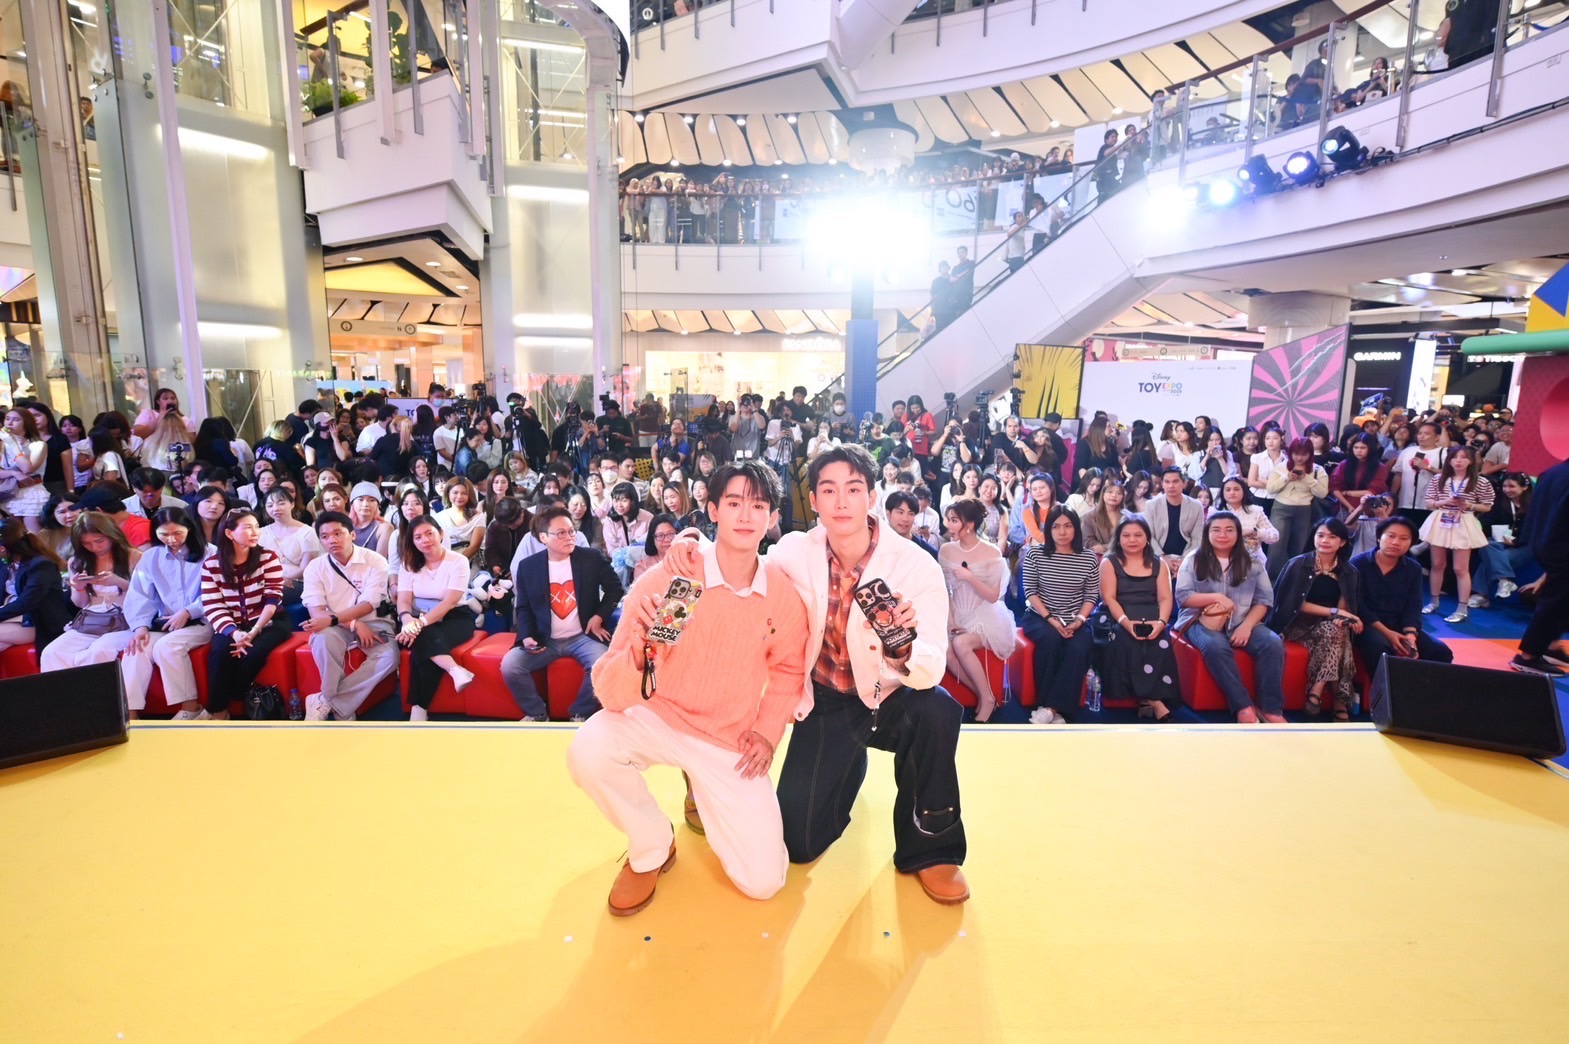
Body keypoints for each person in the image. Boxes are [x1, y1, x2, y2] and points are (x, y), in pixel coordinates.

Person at [670, 444, 966, 905]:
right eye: (828, 490)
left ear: (872, 496)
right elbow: (743, 562)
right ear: (814, 500)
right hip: (827, 701)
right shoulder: (794, 551)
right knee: (798, 843)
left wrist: (904, 647)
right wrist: (691, 544)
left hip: (891, 696)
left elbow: (932, 669)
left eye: (854, 489)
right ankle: (850, 762)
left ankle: (932, 847)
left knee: (938, 711)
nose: (841, 501)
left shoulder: (915, 565)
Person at [575, 460, 808, 915]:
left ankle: (701, 787)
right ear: (713, 510)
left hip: (727, 738)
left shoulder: (779, 593)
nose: (746, 515)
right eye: (734, 503)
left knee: (764, 881)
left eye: (758, 505)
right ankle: (652, 846)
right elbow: (613, 694)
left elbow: (788, 669)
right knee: (588, 749)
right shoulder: (679, 577)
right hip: (658, 715)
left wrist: (766, 733)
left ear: (772, 517)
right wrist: (641, 654)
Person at [502, 505, 624, 723]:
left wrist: (599, 617)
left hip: (582, 636)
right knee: (511, 665)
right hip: (545, 638)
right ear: (543, 538)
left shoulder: (591, 558)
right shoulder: (528, 567)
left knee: (603, 664)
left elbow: (615, 589)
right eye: (560, 533)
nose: (569, 537)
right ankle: (537, 713)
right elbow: (523, 607)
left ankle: (580, 712)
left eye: (571, 531)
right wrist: (527, 635)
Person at [1175, 511, 1286, 724]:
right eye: (1216, 530)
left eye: (1229, 530)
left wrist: (1246, 626)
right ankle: (1243, 705)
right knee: (1215, 646)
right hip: (1199, 620)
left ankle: (1270, 708)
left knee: (1272, 643)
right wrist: (1216, 597)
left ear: (1238, 533)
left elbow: (1264, 600)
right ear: (1207, 533)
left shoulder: (1253, 561)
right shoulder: (1194, 559)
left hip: (1243, 619)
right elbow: (1183, 597)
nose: (1222, 535)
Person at [299, 510, 398, 722]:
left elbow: (368, 604)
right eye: (325, 536)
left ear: (352, 534)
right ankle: (342, 706)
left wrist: (351, 621)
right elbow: (317, 612)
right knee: (323, 639)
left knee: (389, 657)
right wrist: (353, 624)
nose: (332, 540)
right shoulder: (315, 567)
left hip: (373, 621)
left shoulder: (375, 561)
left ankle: (326, 701)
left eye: (338, 533)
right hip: (336, 626)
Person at [198, 508, 293, 720]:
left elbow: (273, 597)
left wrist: (255, 630)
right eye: (248, 527)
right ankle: (218, 712)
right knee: (219, 653)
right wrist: (234, 633)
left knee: (255, 651)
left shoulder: (268, 558)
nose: (255, 532)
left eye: (257, 527)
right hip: (232, 624)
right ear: (229, 533)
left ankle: (233, 695)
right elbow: (213, 605)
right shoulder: (212, 565)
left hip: (270, 620)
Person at [120, 508, 212, 719]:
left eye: (177, 533)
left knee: (167, 647)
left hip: (204, 619)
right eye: (164, 534)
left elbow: (217, 591)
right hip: (165, 623)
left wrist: (189, 611)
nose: (171, 540)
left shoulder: (209, 553)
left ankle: (191, 708)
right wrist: (140, 626)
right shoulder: (151, 557)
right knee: (136, 648)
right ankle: (130, 714)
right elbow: (140, 594)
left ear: (189, 528)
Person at [1271, 518, 1364, 720]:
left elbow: (1344, 606)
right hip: (1296, 623)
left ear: (1342, 542)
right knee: (1338, 636)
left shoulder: (1349, 571)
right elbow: (1294, 604)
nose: (1325, 540)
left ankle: (1317, 690)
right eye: (1320, 535)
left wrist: (1339, 618)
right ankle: (1339, 701)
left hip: (1327, 625)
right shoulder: (1298, 564)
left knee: (1337, 631)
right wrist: (1334, 612)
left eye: (1332, 537)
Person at [1020, 507, 1099, 726]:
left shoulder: (1088, 557)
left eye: (1068, 526)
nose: (1062, 532)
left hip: (1075, 618)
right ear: (1048, 529)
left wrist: (1079, 621)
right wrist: (1050, 619)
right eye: (1056, 527)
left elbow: (1091, 595)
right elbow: (1030, 591)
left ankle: (1051, 709)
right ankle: (1048, 707)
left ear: (1076, 529)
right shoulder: (1035, 554)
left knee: (1079, 647)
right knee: (1051, 640)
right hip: (1039, 616)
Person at [395, 515, 478, 720]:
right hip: (416, 617)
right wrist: (407, 621)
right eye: (418, 537)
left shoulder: (458, 561)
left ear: (441, 534)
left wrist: (418, 625)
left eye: (429, 533)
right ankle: (455, 670)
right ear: (412, 541)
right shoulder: (408, 564)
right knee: (425, 637)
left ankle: (418, 707)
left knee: (423, 639)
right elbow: (403, 600)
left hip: (455, 617)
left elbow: (450, 602)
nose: (425, 540)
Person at [939, 498, 1015, 723]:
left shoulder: (991, 552)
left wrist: (970, 577)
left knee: (961, 644)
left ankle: (988, 700)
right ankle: (985, 695)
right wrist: (951, 621)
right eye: (948, 520)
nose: (948, 525)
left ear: (969, 525)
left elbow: (993, 596)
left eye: (954, 521)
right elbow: (944, 590)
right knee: (946, 649)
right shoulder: (946, 550)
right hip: (955, 613)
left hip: (984, 615)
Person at [1099, 517, 1181, 722]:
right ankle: (1154, 700)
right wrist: (1126, 622)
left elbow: (1165, 598)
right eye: (1126, 535)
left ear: (1147, 538)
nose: (1132, 540)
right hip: (1116, 616)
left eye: (1138, 535)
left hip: (1151, 615)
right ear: (1118, 539)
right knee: (1125, 638)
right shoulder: (1109, 562)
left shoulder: (1159, 563)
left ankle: (1147, 697)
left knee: (1160, 639)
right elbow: (1108, 598)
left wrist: (1161, 623)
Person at [40, 512, 143, 673]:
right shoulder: (77, 562)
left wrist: (119, 582)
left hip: (127, 621)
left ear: (112, 534)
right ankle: (63, 690)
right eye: (86, 543)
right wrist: (80, 587)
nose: (95, 547)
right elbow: (80, 603)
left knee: (98, 651)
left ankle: (95, 689)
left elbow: (146, 595)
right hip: (92, 622)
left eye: (99, 541)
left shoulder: (134, 556)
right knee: (51, 652)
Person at [1350, 516, 1453, 669]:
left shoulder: (1413, 568)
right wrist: (1387, 633)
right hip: (1367, 625)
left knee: (1440, 651)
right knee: (1381, 648)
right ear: (1379, 537)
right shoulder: (1358, 564)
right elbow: (1357, 605)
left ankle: (1424, 684)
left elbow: (1414, 604)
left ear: (1411, 543)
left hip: (1398, 624)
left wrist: (1410, 634)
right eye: (1390, 536)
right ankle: (1384, 685)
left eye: (1404, 538)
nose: (1396, 542)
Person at [1419, 446, 1493, 623]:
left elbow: (1487, 505)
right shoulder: (1439, 478)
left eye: (1463, 457)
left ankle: (1462, 608)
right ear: (1449, 460)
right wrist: (1445, 501)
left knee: (1460, 568)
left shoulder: (1480, 481)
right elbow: (1429, 503)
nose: (1459, 461)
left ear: (1471, 461)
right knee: (1437, 564)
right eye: (1455, 457)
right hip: (1441, 519)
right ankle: (1434, 601)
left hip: (1463, 520)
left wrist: (1469, 505)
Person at [1512, 454, 1569, 675]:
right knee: (1555, 601)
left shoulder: (1552, 472)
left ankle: (1550, 646)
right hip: (1561, 544)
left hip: (1543, 542)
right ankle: (1529, 655)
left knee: (1560, 599)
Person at [1265, 437, 1329, 577]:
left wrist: (1307, 479)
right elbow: (1270, 489)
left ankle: (1296, 577)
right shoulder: (1280, 467)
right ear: (1290, 453)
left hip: (1304, 509)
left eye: (1304, 454)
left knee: (1300, 546)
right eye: (1296, 454)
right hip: (1281, 508)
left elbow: (1323, 493)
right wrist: (1286, 477)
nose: (1299, 458)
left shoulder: (1318, 470)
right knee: (1276, 545)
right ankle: (1272, 579)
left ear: (1310, 454)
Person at [1471, 473, 1533, 607]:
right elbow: (1487, 522)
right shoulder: (1499, 503)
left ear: (1524, 487)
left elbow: (1536, 530)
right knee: (1487, 546)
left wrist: (1516, 541)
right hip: (1498, 542)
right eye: (1504, 486)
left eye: (1512, 486)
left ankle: (1481, 595)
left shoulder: (1535, 506)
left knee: (1493, 557)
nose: (1507, 490)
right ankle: (1504, 580)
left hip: (1524, 545)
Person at [257, 487, 321, 606]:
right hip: (267, 582)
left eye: (281, 503)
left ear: (292, 504)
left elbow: (305, 569)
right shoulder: (260, 533)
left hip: (298, 583)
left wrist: (279, 580)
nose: (275, 508)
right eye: (270, 505)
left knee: (265, 594)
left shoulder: (307, 533)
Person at [1145, 467, 1205, 576]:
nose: (1171, 486)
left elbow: (1197, 538)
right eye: (1167, 482)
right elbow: (1149, 536)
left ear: (1184, 483)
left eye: (1175, 481)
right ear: (1162, 484)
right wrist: (1162, 558)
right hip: (1158, 556)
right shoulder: (1151, 505)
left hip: (1186, 557)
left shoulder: (1196, 506)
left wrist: (1184, 561)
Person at [1389, 420, 1446, 530]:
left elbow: (1449, 476)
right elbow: (1398, 474)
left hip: (1430, 504)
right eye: (1420, 433)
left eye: (1426, 433)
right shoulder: (1408, 451)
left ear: (1437, 437)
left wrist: (1428, 467)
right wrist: (1393, 495)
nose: (1422, 436)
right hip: (1405, 502)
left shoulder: (1443, 452)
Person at [1, 405, 50, 530]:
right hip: (10, 493)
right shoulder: (3, 445)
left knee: (34, 534)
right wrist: (13, 473)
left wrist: (13, 444)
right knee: (14, 535)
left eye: (16, 420)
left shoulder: (38, 445)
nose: (10, 423)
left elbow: (27, 469)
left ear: (26, 423)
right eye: (7, 418)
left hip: (31, 492)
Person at [1215, 477, 1278, 560]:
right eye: (1228, 490)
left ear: (1244, 491)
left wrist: (1255, 532)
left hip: (1253, 559)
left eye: (1236, 489)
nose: (1232, 493)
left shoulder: (1256, 510)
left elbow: (1274, 536)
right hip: (1224, 558)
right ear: (1222, 493)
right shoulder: (1215, 512)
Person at [434, 475, 486, 562]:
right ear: (448, 494)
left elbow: (474, 546)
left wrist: (456, 564)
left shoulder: (478, 517)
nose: (459, 496)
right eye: (455, 493)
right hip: (443, 560)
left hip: (469, 561)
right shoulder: (438, 518)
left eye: (464, 493)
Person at [1082, 479, 1138, 554]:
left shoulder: (1128, 517)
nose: (1114, 495)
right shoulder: (1090, 517)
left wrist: (1105, 547)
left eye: (1119, 493)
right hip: (1099, 555)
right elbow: (1088, 541)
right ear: (1103, 495)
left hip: (1124, 554)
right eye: (1110, 492)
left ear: (1122, 497)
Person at [885, 490, 938, 560]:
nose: (905, 519)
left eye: (911, 514)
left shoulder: (927, 551)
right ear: (888, 514)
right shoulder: (877, 543)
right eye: (900, 512)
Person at [348, 481, 394, 559]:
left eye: (372, 500)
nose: (365, 504)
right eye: (360, 499)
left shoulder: (384, 528)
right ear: (352, 503)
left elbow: (380, 561)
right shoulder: (343, 525)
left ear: (378, 505)